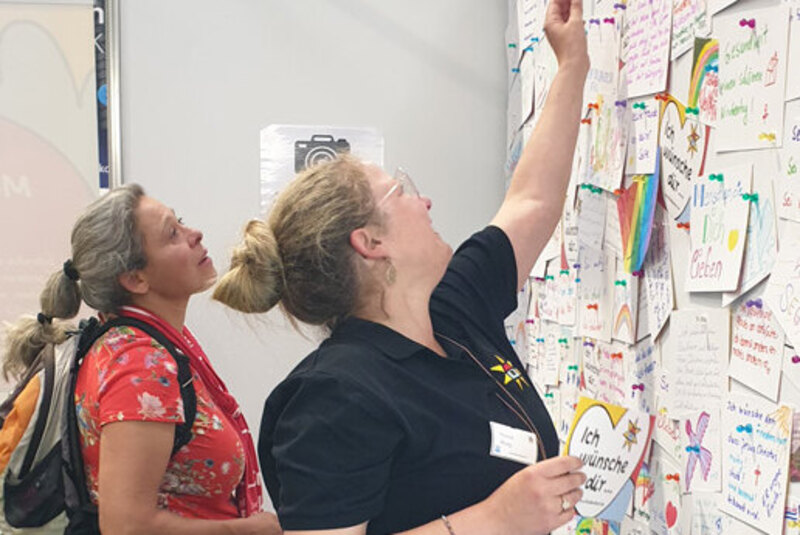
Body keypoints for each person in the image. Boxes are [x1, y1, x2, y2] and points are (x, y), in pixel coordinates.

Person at [213, 0, 589, 531]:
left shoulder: (453, 310)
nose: (424, 201)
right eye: (402, 191)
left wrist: (572, 64)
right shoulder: (333, 398)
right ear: (370, 242)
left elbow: (532, 201)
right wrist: (493, 519)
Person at [1, 184, 280, 535]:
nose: (195, 234)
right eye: (172, 234)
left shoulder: (143, 343)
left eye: (180, 221)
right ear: (135, 279)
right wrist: (249, 530)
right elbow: (127, 526)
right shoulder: (140, 365)